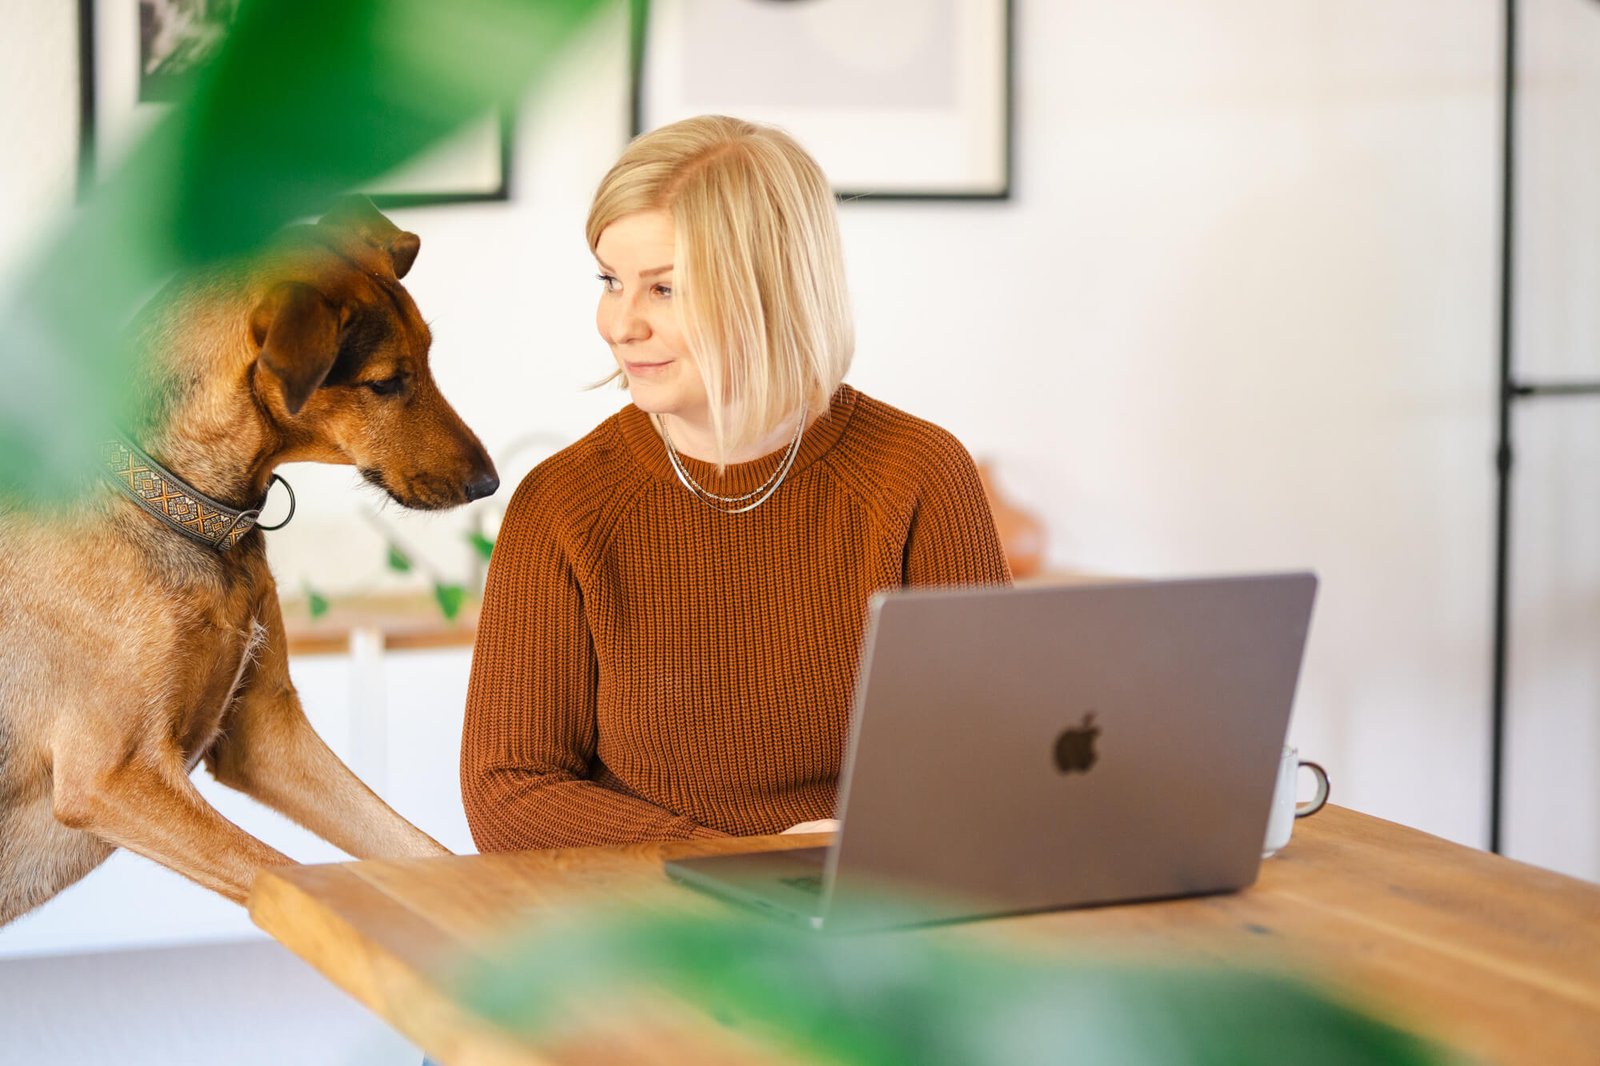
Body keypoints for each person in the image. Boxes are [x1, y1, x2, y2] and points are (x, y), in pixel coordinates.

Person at [459, 115, 1011, 850]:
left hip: (873, 904)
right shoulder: (563, 503)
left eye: (664, 290)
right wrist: (731, 861)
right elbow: (509, 789)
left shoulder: (919, 474)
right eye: (611, 280)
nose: (620, 324)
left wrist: (860, 851)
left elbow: (994, 757)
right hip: (650, 919)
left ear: (770, 290)